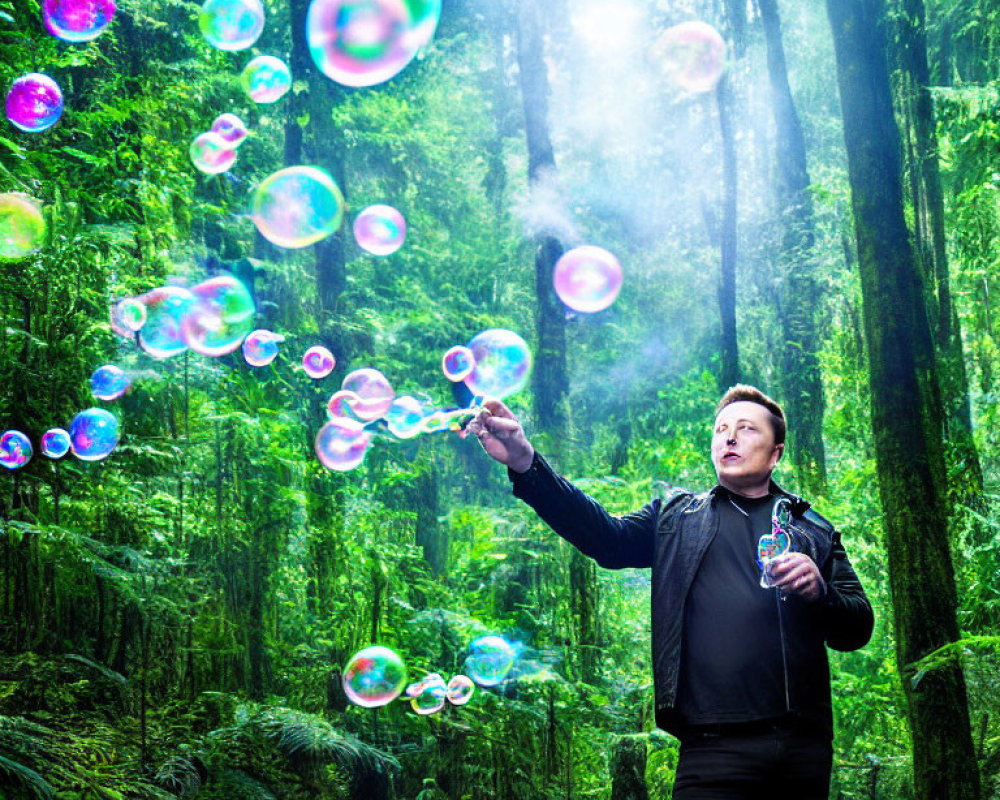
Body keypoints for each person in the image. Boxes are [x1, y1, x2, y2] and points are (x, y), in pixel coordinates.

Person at [468, 384, 873, 800]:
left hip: (799, 747)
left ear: (776, 453)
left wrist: (820, 591)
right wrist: (524, 462)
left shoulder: (812, 531)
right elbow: (606, 539)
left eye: (747, 428)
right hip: (709, 748)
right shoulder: (675, 518)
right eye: (721, 429)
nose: (729, 437)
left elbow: (858, 627)